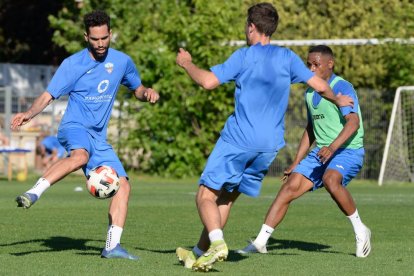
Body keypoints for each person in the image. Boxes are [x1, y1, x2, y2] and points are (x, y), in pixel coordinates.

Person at [174, 3, 353, 272]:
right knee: (225, 199)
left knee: (204, 196)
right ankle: (199, 251)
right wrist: (337, 98)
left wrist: (187, 64)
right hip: (268, 148)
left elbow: (208, 82)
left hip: (239, 140)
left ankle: (217, 242)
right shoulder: (288, 57)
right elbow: (319, 85)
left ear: (251, 27)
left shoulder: (244, 56)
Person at [10, 10, 159, 260]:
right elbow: (48, 96)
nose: (100, 44)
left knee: (123, 186)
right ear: (85, 37)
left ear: (110, 34)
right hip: (74, 127)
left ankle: (112, 247)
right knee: (80, 156)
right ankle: (34, 192)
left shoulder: (122, 62)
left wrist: (147, 94)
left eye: (104, 38)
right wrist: (29, 113)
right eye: (94, 39)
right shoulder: (72, 64)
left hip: (98, 137)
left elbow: (138, 88)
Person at [237, 45, 371, 258]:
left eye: (316, 64)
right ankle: (261, 242)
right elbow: (311, 129)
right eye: (308, 64)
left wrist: (332, 147)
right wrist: (296, 162)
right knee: (288, 188)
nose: (311, 68)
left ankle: (360, 230)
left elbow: (353, 123)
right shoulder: (310, 92)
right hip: (322, 151)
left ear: (330, 64)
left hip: (347, 150)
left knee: (331, 179)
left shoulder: (342, 87)